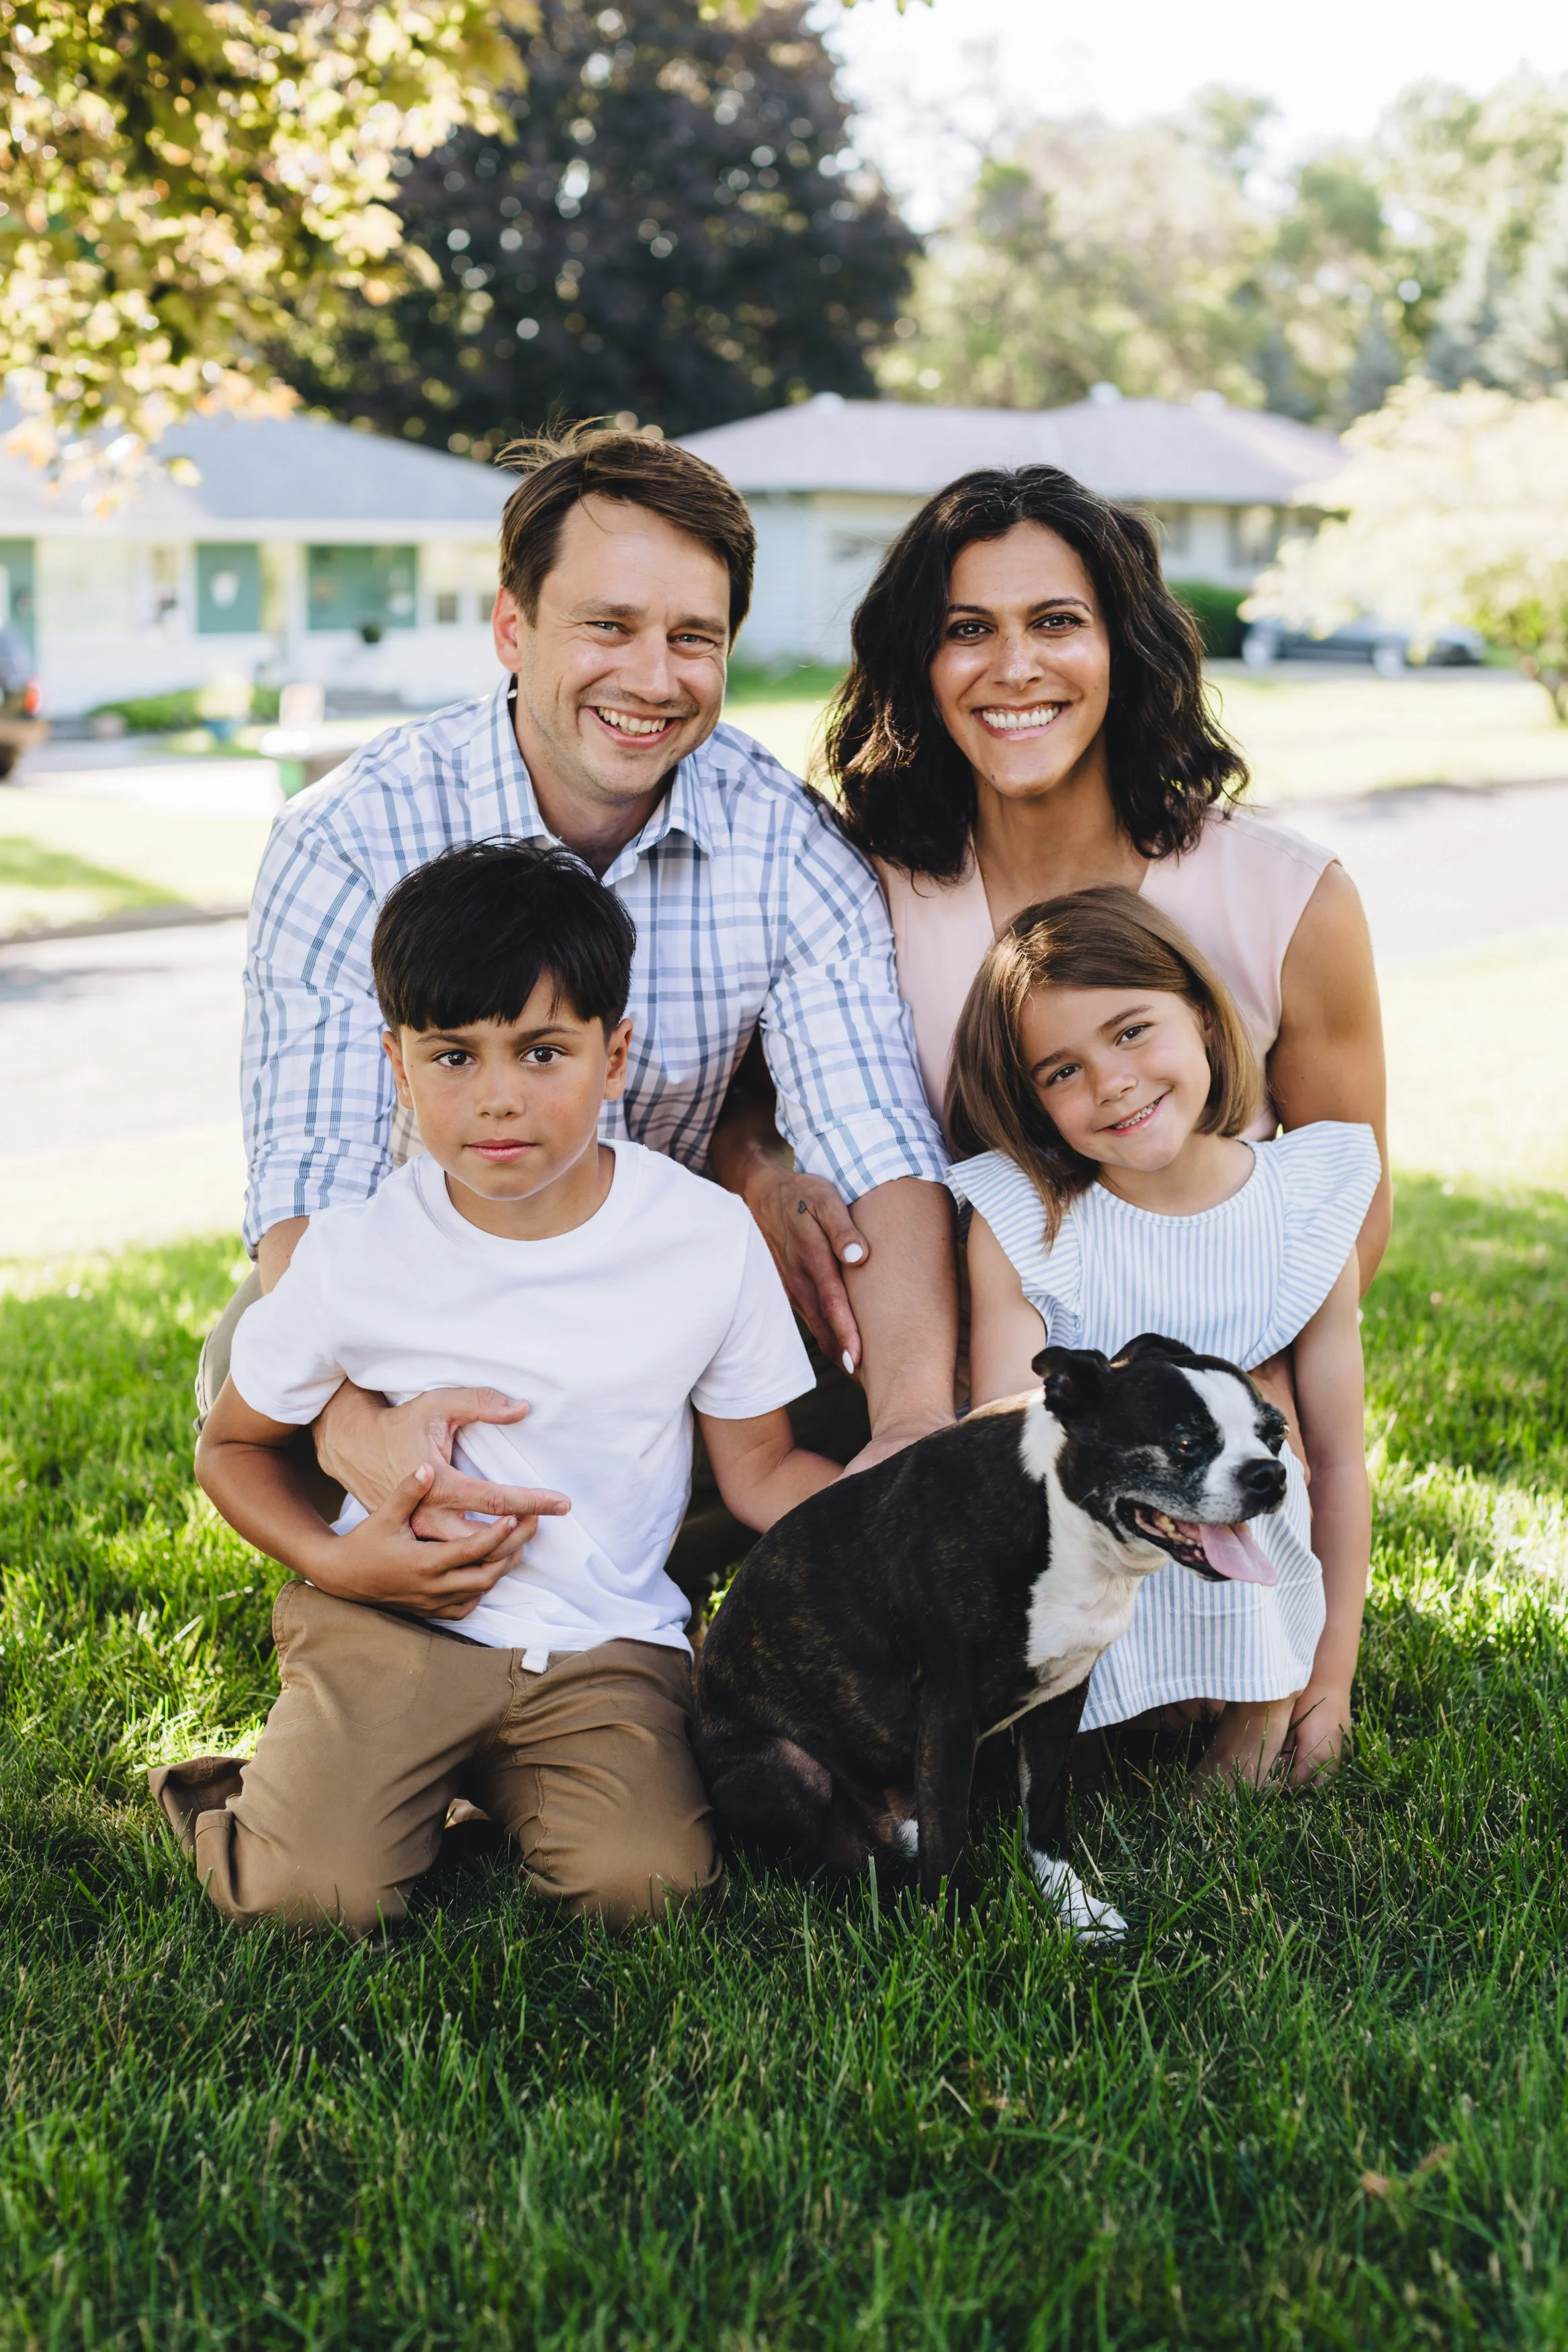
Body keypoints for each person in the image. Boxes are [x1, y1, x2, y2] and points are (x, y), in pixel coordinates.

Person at [211, 423, 955, 1596]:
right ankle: (417, 1597)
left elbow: (877, 1141)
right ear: (514, 628)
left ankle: (679, 1609)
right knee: (254, 1351)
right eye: (606, 626)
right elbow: (313, 1179)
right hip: (436, 1309)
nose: (651, 678)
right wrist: (368, 1434)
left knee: (873, 1301)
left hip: (661, 1303)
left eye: (691, 639)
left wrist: (914, 1427)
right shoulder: (350, 834)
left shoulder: (782, 840)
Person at [155, 842, 843, 1933]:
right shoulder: (352, 1256)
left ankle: (451, 1792)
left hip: (601, 1644)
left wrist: (908, 1506)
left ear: (613, 1055)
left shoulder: (703, 1240)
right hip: (387, 1624)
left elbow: (758, 1470)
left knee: (644, 1891)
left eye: (540, 1052)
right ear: (398, 1065)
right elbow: (230, 1448)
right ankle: (235, 1797)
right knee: (307, 1898)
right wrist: (338, 1560)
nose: (498, 1100)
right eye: (453, 1057)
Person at [817, 462, 1390, 1302]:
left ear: (1124, 644)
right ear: (920, 664)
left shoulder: (1293, 899)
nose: (1014, 668)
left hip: (1206, 1386)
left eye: (1056, 622)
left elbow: (1351, 1202)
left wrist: (1240, 1375)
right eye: (967, 630)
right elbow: (762, 1100)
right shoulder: (858, 891)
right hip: (950, 1381)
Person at [947, 888, 1378, 1787]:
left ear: (1205, 1022)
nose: (1110, 1081)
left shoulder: (1299, 1206)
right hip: (1093, 1574)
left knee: (1264, 1455)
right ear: (1031, 1104)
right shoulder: (1027, 1222)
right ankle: (1095, 1719)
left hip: (1252, 1575)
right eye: (1059, 1072)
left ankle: (1254, 1697)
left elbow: (1338, 1463)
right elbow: (1002, 1449)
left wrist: (1329, 1680)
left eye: (1133, 1030)